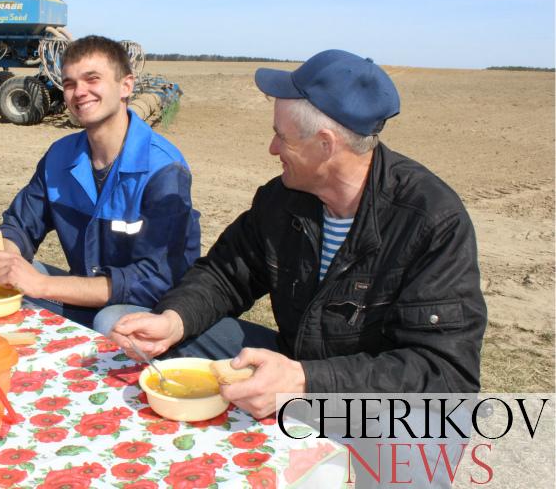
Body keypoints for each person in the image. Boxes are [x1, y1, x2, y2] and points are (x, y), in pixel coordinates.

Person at [110, 48, 487, 416]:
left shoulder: (432, 221)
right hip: (294, 363)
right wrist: (173, 320)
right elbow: (226, 273)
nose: (272, 148)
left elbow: (446, 375)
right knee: (172, 345)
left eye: (282, 137)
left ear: (325, 145)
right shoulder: (282, 199)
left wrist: (306, 382)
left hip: (365, 400)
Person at [0, 35, 201, 335]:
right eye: (69, 83)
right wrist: (2, 255)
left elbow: (153, 279)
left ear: (126, 86)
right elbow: (21, 223)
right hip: (84, 297)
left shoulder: (163, 168)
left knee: (111, 321)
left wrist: (43, 284)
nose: (79, 92)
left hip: (150, 308)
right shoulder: (60, 157)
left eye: (92, 79)